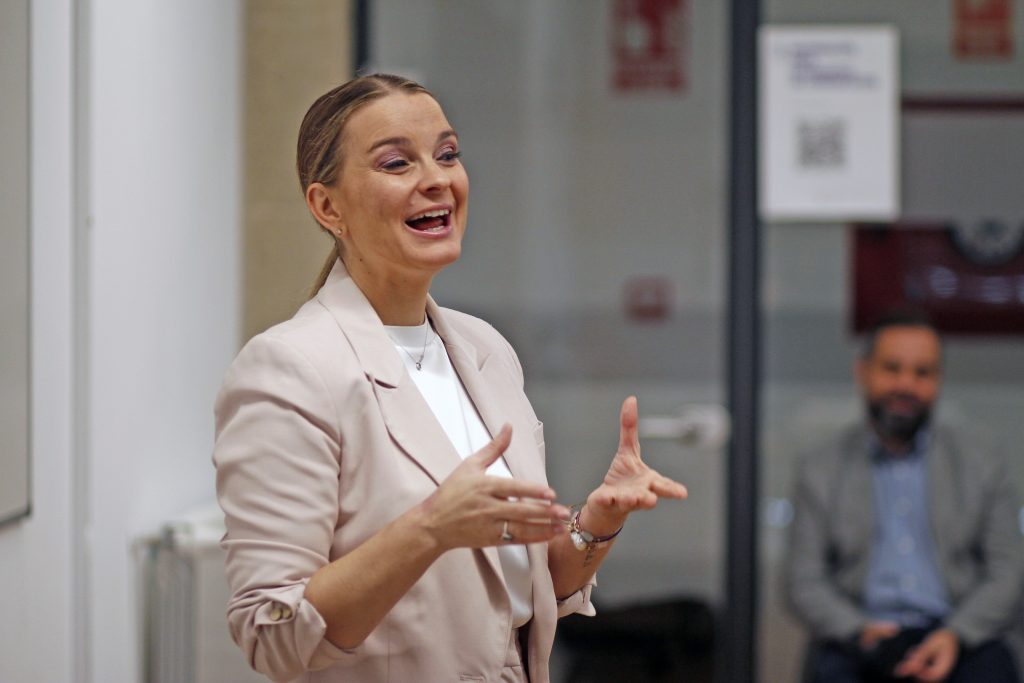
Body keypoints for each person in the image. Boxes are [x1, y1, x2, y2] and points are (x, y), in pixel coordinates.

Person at [212, 74, 688, 683]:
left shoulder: (484, 349)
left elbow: (521, 588)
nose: (436, 179)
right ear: (328, 208)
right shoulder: (288, 370)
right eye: (395, 162)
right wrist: (429, 528)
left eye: (447, 154)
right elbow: (272, 636)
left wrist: (594, 524)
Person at [785, 310, 1024, 683]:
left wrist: (955, 635)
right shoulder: (820, 467)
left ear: (939, 380)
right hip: (859, 637)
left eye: (922, 372)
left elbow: (1008, 572)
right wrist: (859, 631)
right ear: (862, 372)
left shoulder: (982, 463)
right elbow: (803, 580)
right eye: (892, 368)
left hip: (960, 634)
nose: (906, 384)